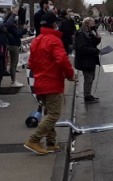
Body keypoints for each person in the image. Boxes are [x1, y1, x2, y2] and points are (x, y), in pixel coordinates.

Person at [25, 12, 76, 154]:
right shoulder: (54, 40)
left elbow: (31, 63)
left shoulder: (37, 40)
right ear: (54, 25)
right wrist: (70, 75)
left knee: (48, 112)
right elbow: (62, 60)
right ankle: (34, 140)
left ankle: (51, 142)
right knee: (54, 114)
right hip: (52, 81)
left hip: (40, 81)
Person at [74, 17, 101, 103]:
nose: (94, 24)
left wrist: (98, 36)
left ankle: (88, 94)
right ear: (87, 24)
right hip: (84, 60)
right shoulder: (81, 34)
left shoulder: (89, 33)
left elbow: (94, 43)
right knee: (88, 77)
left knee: (91, 77)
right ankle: (87, 96)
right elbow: (82, 49)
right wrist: (95, 51)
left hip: (90, 59)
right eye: (92, 23)